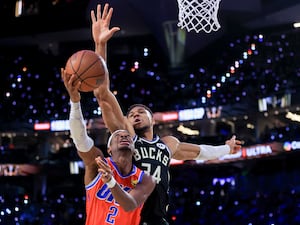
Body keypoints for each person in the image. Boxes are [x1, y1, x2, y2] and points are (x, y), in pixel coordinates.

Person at [90, 3, 243, 225]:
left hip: (158, 219)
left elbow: (200, 152)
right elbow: (102, 93)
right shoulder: (127, 138)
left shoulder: (168, 144)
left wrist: (227, 148)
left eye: (141, 111)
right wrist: (100, 44)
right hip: (129, 216)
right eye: (131, 113)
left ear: (153, 119)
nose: (135, 114)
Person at [61, 70, 156, 225]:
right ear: (109, 149)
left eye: (127, 135)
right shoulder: (97, 164)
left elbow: (129, 205)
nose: (124, 136)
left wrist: (111, 181)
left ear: (134, 148)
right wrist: (75, 102)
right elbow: (80, 139)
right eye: (117, 136)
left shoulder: (145, 178)